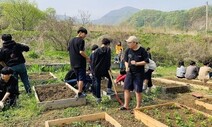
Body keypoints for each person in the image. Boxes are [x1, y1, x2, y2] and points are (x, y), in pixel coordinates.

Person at [120, 36, 149, 110]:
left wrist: (136, 63)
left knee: (138, 90)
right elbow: (125, 60)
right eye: (127, 42)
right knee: (126, 88)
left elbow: (146, 61)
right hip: (129, 73)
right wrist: (127, 67)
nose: (128, 44)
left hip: (139, 73)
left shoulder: (142, 51)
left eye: (129, 43)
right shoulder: (128, 50)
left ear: (135, 43)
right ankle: (126, 105)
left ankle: (138, 106)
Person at [68, 27, 90, 98]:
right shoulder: (81, 41)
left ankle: (78, 91)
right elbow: (81, 52)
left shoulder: (71, 40)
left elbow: (68, 50)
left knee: (77, 77)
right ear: (80, 32)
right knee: (81, 78)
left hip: (73, 62)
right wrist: (87, 58)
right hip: (80, 62)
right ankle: (80, 93)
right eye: (84, 34)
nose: (85, 36)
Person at [92, 38, 114, 103]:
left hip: (97, 69)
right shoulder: (108, 50)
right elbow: (108, 60)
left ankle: (98, 98)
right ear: (108, 44)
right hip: (105, 69)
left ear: (102, 43)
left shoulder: (96, 51)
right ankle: (109, 89)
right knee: (111, 78)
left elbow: (93, 62)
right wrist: (109, 67)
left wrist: (93, 70)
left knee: (98, 83)